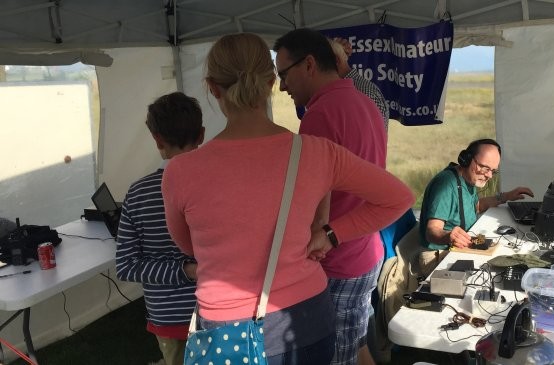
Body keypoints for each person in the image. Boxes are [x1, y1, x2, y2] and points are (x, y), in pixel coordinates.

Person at [161, 33, 414, 365]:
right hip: (308, 318)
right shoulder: (313, 151)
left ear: (212, 87)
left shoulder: (180, 171)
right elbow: (399, 198)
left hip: (226, 326)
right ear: (269, 83)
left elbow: (188, 246)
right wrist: (331, 234)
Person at [273, 28, 390, 365]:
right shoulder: (364, 101)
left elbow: (314, 203)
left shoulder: (320, 116)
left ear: (309, 64)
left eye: (284, 74)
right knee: (356, 345)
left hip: (338, 256)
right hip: (364, 247)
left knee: (338, 357)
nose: (282, 87)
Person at [115, 92, 204, 365]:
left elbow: (126, 265)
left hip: (167, 316)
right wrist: (187, 270)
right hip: (218, 308)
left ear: (157, 139)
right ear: (201, 135)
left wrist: (182, 270)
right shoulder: (219, 183)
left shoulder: (138, 193)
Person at [418, 138, 534, 275]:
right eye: (485, 168)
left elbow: (475, 206)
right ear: (466, 159)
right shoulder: (446, 185)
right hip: (438, 256)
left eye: (493, 171)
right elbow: (431, 231)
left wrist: (506, 196)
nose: (489, 175)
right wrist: (448, 236)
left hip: (457, 249)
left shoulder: (468, 179)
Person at [329, 37, 390, 130]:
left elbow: (370, 138)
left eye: (322, 64)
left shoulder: (362, 91)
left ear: (336, 61)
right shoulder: (357, 89)